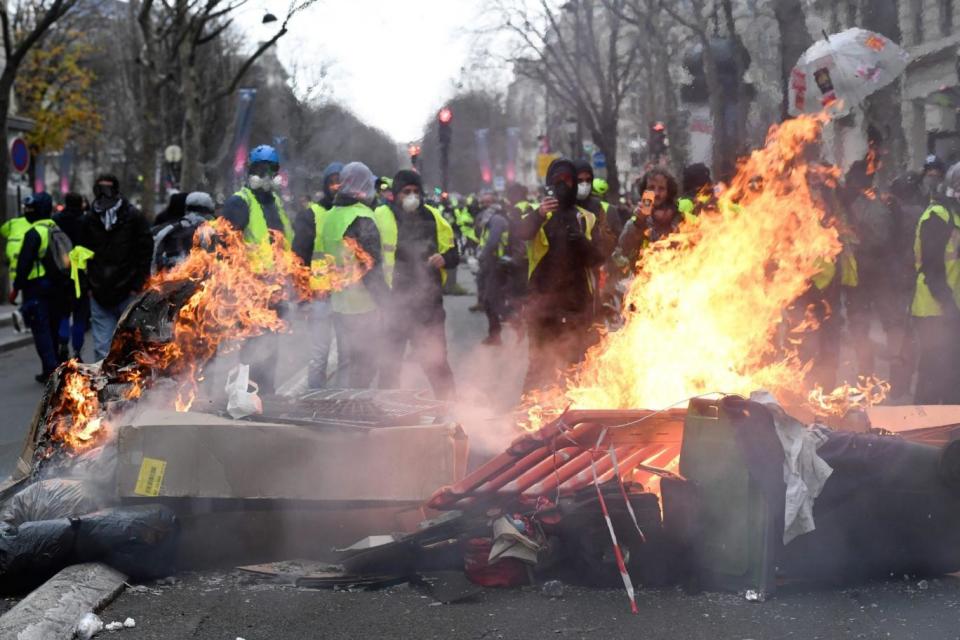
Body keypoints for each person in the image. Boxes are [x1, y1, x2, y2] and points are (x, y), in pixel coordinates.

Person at [515, 157, 604, 392]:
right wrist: (540, 214)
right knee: (538, 369)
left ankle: (574, 423)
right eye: (557, 181)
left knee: (575, 371)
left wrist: (581, 242)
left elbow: (599, 257)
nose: (563, 186)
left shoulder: (586, 218)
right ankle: (526, 420)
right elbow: (521, 233)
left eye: (567, 180)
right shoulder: (538, 214)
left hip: (576, 306)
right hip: (542, 306)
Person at [377, 170, 458, 399]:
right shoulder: (381, 216)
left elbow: (453, 252)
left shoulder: (433, 217)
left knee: (436, 363)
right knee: (390, 365)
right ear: (396, 194)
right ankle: (386, 414)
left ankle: (450, 411)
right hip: (396, 304)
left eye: (415, 191)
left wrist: (445, 258)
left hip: (428, 305)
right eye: (406, 192)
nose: (412, 196)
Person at [220, 145, 294, 393]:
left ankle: (265, 402)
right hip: (250, 294)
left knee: (270, 354)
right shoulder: (239, 203)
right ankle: (245, 405)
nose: (265, 175)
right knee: (252, 356)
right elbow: (225, 247)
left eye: (270, 170)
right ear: (250, 170)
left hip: (275, 293)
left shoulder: (277, 206)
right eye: (259, 169)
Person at [319, 161, 388, 388]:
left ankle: (342, 412)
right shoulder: (362, 217)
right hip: (363, 306)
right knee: (365, 366)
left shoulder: (331, 216)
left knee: (346, 364)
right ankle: (355, 412)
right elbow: (371, 268)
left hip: (340, 303)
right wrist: (388, 305)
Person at [80, 174, 153, 361]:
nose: (104, 195)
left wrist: (137, 285)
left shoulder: (133, 217)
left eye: (108, 189)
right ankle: (105, 387)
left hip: (127, 291)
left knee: (129, 344)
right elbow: (81, 253)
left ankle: (129, 385)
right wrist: (87, 285)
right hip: (98, 292)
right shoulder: (89, 219)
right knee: (102, 348)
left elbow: (145, 252)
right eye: (100, 189)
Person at [910, 161, 960, 404]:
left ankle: (950, 431)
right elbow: (932, 269)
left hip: (952, 308)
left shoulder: (955, 217)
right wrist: (949, 307)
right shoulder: (937, 217)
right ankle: (922, 430)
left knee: (952, 374)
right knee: (933, 372)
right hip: (933, 309)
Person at [292, 161, 343, 389]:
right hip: (319, 297)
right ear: (325, 184)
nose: (336, 186)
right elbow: (298, 259)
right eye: (332, 182)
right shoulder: (311, 215)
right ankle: (314, 401)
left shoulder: (351, 213)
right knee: (319, 355)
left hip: (346, 298)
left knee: (348, 355)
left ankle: (343, 403)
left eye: (340, 181)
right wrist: (303, 298)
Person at [12, 193, 69, 381]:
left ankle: (51, 371)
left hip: (37, 287)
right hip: (58, 286)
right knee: (52, 327)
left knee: (41, 329)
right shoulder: (55, 228)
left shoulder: (34, 233)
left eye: (29, 209)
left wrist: (16, 288)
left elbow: (24, 264)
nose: (27, 212)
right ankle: (54, 369)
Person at [615, 167, 681, 269]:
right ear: (644, 192)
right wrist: (639, 223)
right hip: (645, 280)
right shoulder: (637, 220)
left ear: (669, 192)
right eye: (651, 188)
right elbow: (624, 248)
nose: (656, 193)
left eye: (661, 188)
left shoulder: (681, 219)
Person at [53, 192, 90, 360]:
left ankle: (62, 343)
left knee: (63, 312)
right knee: (80, 315)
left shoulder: (56, 221)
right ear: (81, 203)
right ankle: (77, 350)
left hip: (61, 273)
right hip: (82, 274)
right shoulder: (87, 220)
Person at [152, 191, 216, 273]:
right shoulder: (207, 231)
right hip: (188, 279)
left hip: (165, 278)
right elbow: (210, 262)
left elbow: (155, 258)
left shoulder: (168, 228)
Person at [476, 192, 509, 346]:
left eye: (487, 202)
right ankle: (494, 335)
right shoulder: (487, 220)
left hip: (496, 264)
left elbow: (492, 241)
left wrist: (483, 255)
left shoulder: (496, 220)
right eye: (482, 202)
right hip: (488, 263)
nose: (484, 205)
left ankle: (516, 324)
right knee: (488, 300)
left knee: (492, 300)